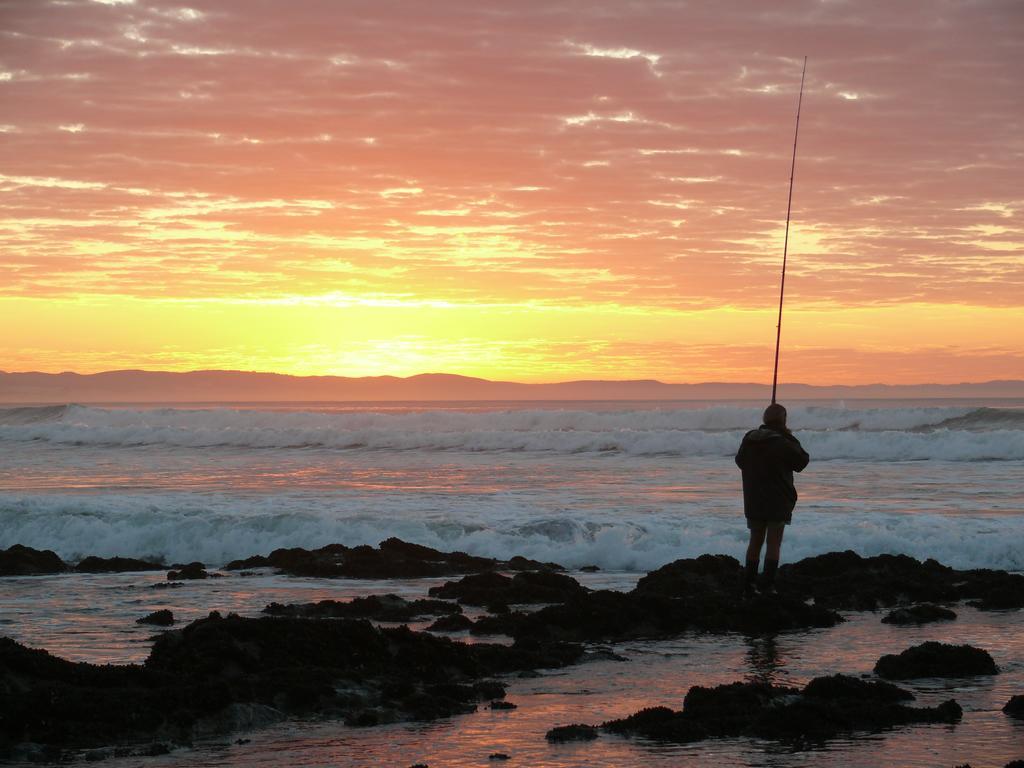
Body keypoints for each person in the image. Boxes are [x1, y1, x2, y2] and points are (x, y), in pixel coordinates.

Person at [735, 403, 809, 595]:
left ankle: (748, 583)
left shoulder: (749, 439)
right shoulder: (783, 443)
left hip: (753, 499)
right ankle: (767, 584)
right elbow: (802, 461)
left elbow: (740, 461)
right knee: (773, 543)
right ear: (783, 420)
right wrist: (787, 436)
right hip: (778, 499)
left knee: (755, 541)